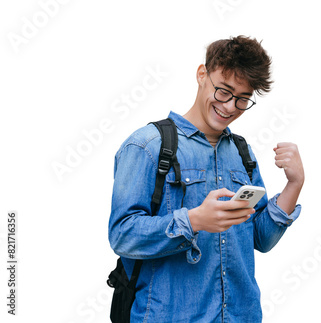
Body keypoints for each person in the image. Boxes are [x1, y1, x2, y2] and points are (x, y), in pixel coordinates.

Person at [108, 35, 304, 322]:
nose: (230, 107)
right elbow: (122, 235)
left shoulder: (241, 151)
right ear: (202, 75)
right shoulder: (147, 146)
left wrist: (294, 184)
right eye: (224, 91)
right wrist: (194, 221)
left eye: (242, 99)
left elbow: (260, 238)